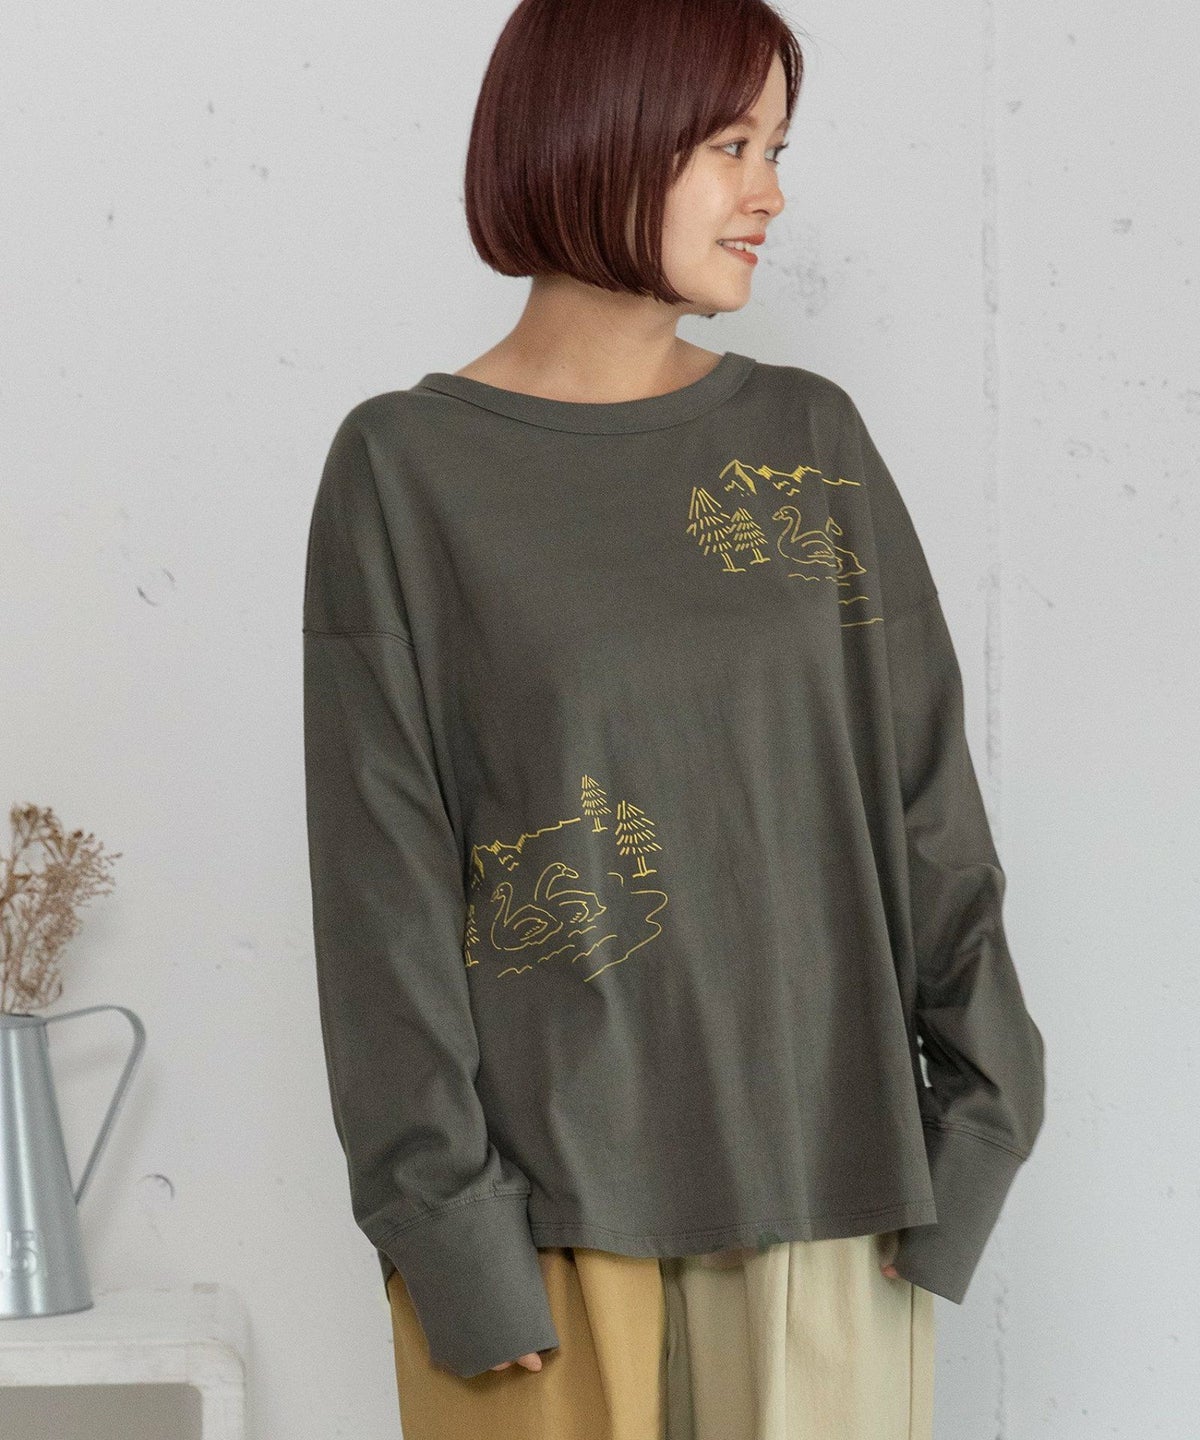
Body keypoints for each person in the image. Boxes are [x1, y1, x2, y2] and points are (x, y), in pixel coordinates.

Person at [300, 1, 1047, 1435]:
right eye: (729, 147)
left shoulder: (808, 440)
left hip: (835, 1207)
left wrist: (980, 1123)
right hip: (546, 1239)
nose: (770, 194)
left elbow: (929, 813)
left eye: (776, 150)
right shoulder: (405, 470)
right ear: (601, 136)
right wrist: (449, 1234)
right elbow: (381, 887)